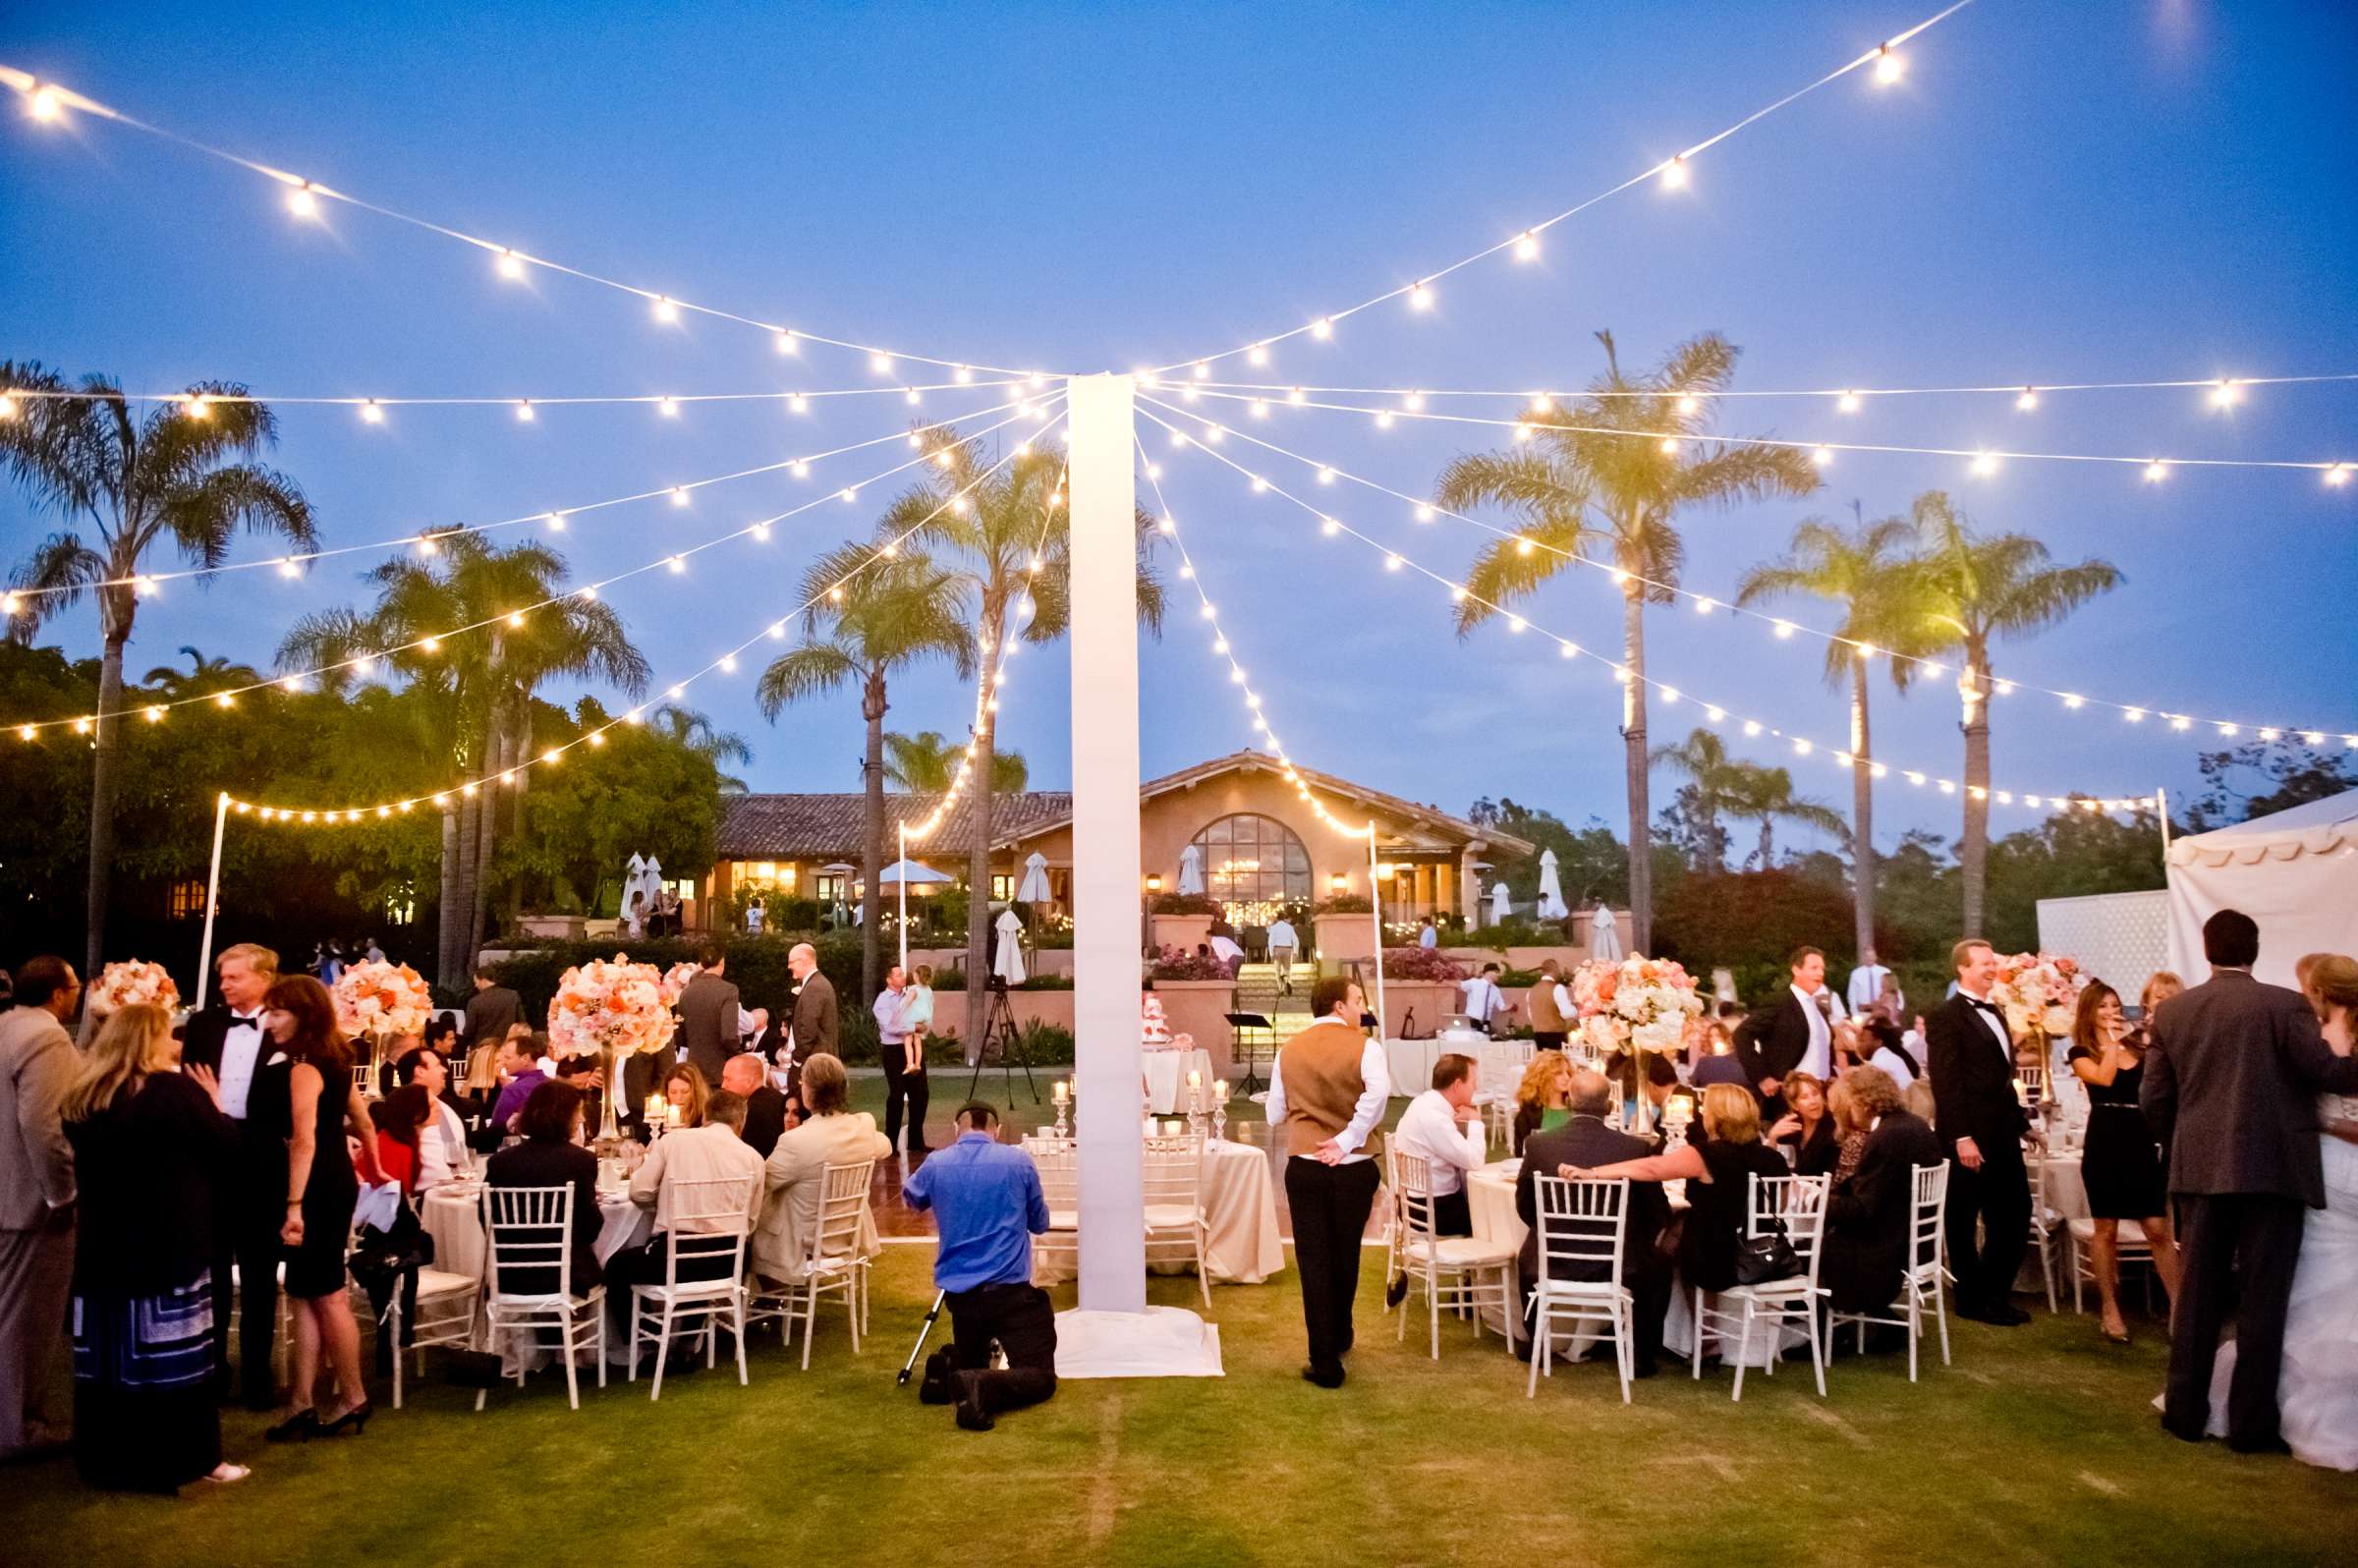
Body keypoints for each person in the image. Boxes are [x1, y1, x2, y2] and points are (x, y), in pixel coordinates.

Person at [2144, 912, 2358, 1453]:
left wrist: (2190, 1138)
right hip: (2274, 1173)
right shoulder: (2284, 1004)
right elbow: (2325, 1073)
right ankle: (2250, 1426)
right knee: (2264, 1300)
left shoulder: (2173, 1011)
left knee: (2198, 1298)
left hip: (2200, 1172)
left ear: (2207, 949)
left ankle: (2185, 1413)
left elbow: (2154, 1101)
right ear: (2255, 950)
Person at [59, 1004, 249, 1491]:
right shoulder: (174, 1094)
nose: (178, 1044)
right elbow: (228, 1147)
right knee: (176, 1359)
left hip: (104, 1245)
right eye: (169, 1035)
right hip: (170, 1244)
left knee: (107, 1359)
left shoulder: (83, 1098)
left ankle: (106, 1458)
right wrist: (216, 1104)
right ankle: (189, 1458)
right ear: (148, 1040)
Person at [2197, 954, 2358, 1469]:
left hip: (2321, 1170)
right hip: (2338, 1173)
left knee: (2303, 1283)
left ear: (2319, 991)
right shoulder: (2313, 1034)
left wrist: (2321, 1127)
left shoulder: (2307, 1036)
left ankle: (2281, 1408)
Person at [1569, 1083, 1788, 1353]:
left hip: (1718, 1262)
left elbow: (1651, 1168)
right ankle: (1696, 1334)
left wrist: (1594, 1172)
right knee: (1679, 1231)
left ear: (1716, 1116)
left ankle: (1682, 1335)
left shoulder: (1705, 1154)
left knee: (1662, 1250)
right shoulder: (1772, 1158)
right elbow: (1781, 1206)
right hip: (1763, 1257)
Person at [260, 975, 384, 1443]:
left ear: (303, 1015)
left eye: (277, 1012)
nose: (268, 1021)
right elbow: (365, 1121)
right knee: (307, 1293)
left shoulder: (305, 1068)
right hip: (336, 1182)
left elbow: (304, 1139)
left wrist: (294, 1206)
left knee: (327, 1294)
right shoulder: (335, 1060)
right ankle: (302, 1402)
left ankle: (352, 1396)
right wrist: (374, 1168)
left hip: (314, 1189)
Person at [177, 941, 293, 1409]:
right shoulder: (204, 1025)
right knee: (213, 1272)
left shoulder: (287, 1027)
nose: (224, 984)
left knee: (261, 1275)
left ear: (264, 977)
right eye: (223, 977)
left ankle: (258, 1378)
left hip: (264, 1160)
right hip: (211, 1160)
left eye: (234, 977)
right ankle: (213, 1371)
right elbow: (186, 1087)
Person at [1265, 976, 1388, 1389]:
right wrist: (1348, 1139)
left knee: (1313, 1262)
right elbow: (1379, 1095)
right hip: (1353, 1167)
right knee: (1345, 1253)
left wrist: (1315, 1122)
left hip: (1304, 1166)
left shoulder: (1289, 1048)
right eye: (1357, 1000)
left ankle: (1324, 1358)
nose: (1361, 1009)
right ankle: (1340, 1333)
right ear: (1338, 1006)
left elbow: (1273, 1113)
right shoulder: (1366, 1047)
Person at [903, 1102, 1055, 1430]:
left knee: (974, 1359)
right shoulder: (1017, 1161)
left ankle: (947, 1366)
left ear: (957, 1128)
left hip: (962, 1300)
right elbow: (1040, 1223)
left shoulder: (937, 1163)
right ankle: (980, 1386)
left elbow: (911, 1198)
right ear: (996, 1130)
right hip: (1009, 1295)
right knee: (1040, 1376)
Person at [1520, 1069, 1670, 1375]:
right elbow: (1658, 1213)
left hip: (1553, 1258)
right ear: (1609, 1105)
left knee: (1525, 1253)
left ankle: (1535, 1339)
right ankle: (1641, 1353)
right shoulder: (1634, 1148)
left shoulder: (1539, 1146)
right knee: (1659, 1264)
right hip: (1618, 1264)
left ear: (1570, 1101)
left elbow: (1524, 1208)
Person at [1926, 937, 2036, 1327]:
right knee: (1964, 1217)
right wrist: (1961, 1137)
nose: (1992, 968)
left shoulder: (1999, 1011)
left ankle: (1993, 1291)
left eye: (1993, 962)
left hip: (2003, 1132)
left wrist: (2023, 1123)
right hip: (1969, 1135)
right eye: (1984, 963)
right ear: (1963, 968)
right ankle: (1971, 1299)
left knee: (2015, 1212)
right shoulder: (1946, 1016)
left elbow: (2003, 1079)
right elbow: (1946, 1082)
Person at [2066, 980, 2181, 1344]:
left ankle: (2180, 1307)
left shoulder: (2138, 1044)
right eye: (2102, 1006)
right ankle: (2110, 1307)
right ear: (2089, 1011)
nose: (2110, 1011)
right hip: (2105, 1140)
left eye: (2114, 1005)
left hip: (2141, 1138)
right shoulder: (2080, 1050)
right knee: (2107, 1230)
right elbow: (2104, 1077)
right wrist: (2113, 1041)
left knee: (2158, 1229)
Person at [605, 1088, 765, 1346]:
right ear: (740, 1123)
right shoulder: (754, 1158)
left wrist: (661, 1203)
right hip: (727, 1261)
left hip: (676, 1259)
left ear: (705, 1117)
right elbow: (749, 1221)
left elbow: (639, 1190)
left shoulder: (674, 1142)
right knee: (708, 1251)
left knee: (615, 1266)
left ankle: (647, 1337)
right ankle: (687, 1340)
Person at [0, 955, 80, 1461]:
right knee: (27, 1318)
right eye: (73, 987)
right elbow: (43, 1126)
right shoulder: (47, 1037)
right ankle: (19, 1427)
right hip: (29, 1201)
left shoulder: (5, 1027)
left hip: (5, 1194)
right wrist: (63, 1193)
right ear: (56, 994)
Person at [753, 1055, 888, 1288]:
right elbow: (884, 1146)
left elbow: (760, 1183)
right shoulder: (863, 1126)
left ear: (809, 1091)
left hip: (802, 1245)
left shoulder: (796, 1142)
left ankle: (763, 1302)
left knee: (755, 1212)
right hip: (845, 1237)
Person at [1820, 1065, 1943, 1319]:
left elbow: (1863, 1209)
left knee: (1812, 1246)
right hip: (1917, 1237)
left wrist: (1816, 1201)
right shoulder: (1914, 1125)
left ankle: (1823, 1328)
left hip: (1890, 1245)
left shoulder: (1885, 1137)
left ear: (1860, 1101)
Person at [484, 1082, 602, 1300]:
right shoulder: (580, 1160)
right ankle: (569, 1332)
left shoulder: (499, 1161)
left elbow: (487, 1219)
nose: (582, 1119)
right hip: (566, 1274)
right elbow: (591, 1228)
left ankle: (549, 1332)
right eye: (578, 1112)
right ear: (563, 1116)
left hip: (510, 1274)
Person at [1389, 1054, 1486, 1238]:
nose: (1476, 1087)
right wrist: (1475, 1120)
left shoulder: (1421, 1103)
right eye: (1473, 1082)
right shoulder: (1434, 1118)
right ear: (1458, 1085)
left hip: (1414, 1204)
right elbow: (1474, 1160)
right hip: (1435, 1211)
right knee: (1492, 1217)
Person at [1734, 946, 1836, 1111]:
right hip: (1789, 1095)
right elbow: (1742, 1034)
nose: (1820, 973)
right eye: (1814, 968)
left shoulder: (1821, 1010)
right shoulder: (1779, 1002)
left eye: (1822, 969)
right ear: (1796, 969)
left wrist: (1831, 1075)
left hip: (1822, 1095)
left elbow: (1824, 1047)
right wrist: (1762, 1077)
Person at [394, 1044, 471, 1191]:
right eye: (437, 1065)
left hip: (454, 1189)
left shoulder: (442, 1106)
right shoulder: (405, 1109)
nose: (445, 1070)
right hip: (426, 1196)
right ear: (420, 1071)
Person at [676, 946, 743, 1086]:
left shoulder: (687, 992)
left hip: (693, 1067)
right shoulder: (728, 990)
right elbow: (728, 1035)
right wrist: (737, 1055)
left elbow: (679, 1032)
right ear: (722, 963)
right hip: (720, 1069)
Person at [873, 966, 920, 1154]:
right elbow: (890, 1026)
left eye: (903, 973)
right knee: (897, 1095)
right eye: (898, 974)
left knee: (920, 1095)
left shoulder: (909, 996)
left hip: (913, 1049)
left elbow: (921, 1017)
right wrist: (913, 1026)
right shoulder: (883, 1001)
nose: (903, 976)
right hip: (894, 1051)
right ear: (889, 979)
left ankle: (916, 1141)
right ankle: (890, 1143)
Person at [720, 1054, 788, 1159]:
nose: (723, 1085)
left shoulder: (752, 1111)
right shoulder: (777, 1097)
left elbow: (747, 1157)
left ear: (749, 1082)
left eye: (728, 1079)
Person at [1769, 1071, 1837, 1176]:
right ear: (1795, 1105)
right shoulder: (1790, 1126)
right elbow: (1773, 1169)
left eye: (1815, 1093)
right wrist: (1772, 1137)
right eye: (1804, 1097)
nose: (1813, 1101)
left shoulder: (1834, 1127)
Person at [785, 942, 840, 1070]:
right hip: (817, 1059)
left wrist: (798, 1059)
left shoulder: (814, 987)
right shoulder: (817, 983)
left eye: (791, 962)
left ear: (804, 961)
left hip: (814, 1062)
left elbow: (808, 1029)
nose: (789, 966)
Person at [1510, 1049, 1574, 1155]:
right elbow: (1521, 1155)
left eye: (1568, 1072)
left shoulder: (1577, 1108)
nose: (1567, 1077)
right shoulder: (1528, 1115)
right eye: (1559, 1073)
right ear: (1542, 1077)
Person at [487, 1033, 548, 1137]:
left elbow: (496, 1129)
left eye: (508, 1058)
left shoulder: (513, 1090)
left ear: (525, 1058)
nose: (503, 1062)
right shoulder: (553, 1084)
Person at [463, 966, 522, 1054]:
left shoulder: (475, 1002)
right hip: (507, 1049)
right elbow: (521, 1023)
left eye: (476, 982)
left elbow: (469, 1031)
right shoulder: (513, 996)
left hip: (482, 1051)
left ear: (483, 980)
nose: (475, 985)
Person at [1525, 959, 1571, 1051]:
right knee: (1557, 1063)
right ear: (1555, 970)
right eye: (1558, 970)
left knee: (1544, 1063)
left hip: (1538, 1035)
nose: (1560, 973)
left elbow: (1531, 1015)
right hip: (1557, 1036)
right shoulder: (1558, 988)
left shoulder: (1531, 990)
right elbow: (1567, 1013)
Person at [1459, 962, 1508, 1035]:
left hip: (1486, 1023)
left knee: (1485, 1043)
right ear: (1489, 972)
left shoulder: (1496, 990)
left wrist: (1512, 1006)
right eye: (1496, 972)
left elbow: (1502, 1007)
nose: (1498, 975)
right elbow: (1459, 985)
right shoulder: (1474, 983)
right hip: (1472, 1021)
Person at [1847, 948, 1894, 1016]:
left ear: (1876, 957)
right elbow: (1852, 996)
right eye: (1867, 956)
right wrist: (1855, 1014)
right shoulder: (1856, 974)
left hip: (1881, 1012)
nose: (1869, 958)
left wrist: (1894, 1011)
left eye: (1872, 956)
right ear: (1863, 957)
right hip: (1863, 1012)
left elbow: (1893, 991)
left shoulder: (1885, 971)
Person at [1265, 914, 1299, 993]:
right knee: (1287, 969)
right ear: (1284, 918)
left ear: (1277, 919)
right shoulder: (1290, 927)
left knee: (1277, 969)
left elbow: (1270, 941)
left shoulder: (1273, 928)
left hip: (1277, 949)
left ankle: (1281, 988)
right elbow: (1296, 940)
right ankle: (1287, 981)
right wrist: (1295, 952)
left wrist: (1271, 954)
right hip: (1288, 949)